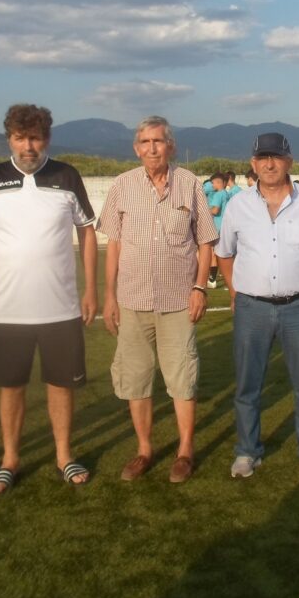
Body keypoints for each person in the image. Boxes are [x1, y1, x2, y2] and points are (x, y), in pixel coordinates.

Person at [0, 104, 98, 494]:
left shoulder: (66, 175)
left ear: (47, 138)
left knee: (61, 385)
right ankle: (9, 459)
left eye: (35, 138)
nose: (28, 146)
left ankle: (64, 455)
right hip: (7, 309)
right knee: (11, 386)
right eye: (20, 138)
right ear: (9, 139)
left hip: (60, 307)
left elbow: (87, 231)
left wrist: (91, 289)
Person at [99, 116, 217, 483]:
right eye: (145, 142)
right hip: (132, 300)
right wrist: (109, 295)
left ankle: (185, 451)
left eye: (159, 141)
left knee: (182, 377)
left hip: (178, 300)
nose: (152, 148)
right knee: (136, 379)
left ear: (171, 146)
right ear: (136, 148)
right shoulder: (122, 186)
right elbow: (113, 244)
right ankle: (144, 450)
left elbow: (205, 241)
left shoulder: (190, 184)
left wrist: (199, 288)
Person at [216, 133, 299, 482]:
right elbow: (224, 253)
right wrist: (235, 291)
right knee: (247, 384)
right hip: (252, 308)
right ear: (253, 164)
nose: (270, 164)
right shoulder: (238, 205)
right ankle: (247, 450)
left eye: (277, 157)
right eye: (263, 157)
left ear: (289, 161)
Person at [207, 172, 229, 288]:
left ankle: (212, 280)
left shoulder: (218, 194)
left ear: (219, 183)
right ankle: (226, 279)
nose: (212, 185)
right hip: (225, 227)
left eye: (213, 183)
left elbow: (215, 211)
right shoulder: (226, 193)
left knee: (213, 254)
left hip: (217, 227)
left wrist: (205, 210)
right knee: (223, 253)